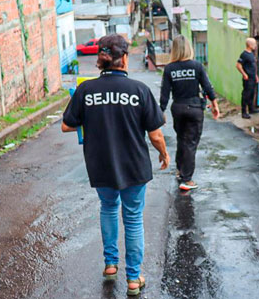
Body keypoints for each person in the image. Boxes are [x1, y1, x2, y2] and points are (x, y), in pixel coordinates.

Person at [61, 34, 170, 296]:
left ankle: (111, 264)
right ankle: (133, 279)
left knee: (108, 208)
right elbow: (155, 134)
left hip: (101, 164)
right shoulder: (139, 90)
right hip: (134, 166)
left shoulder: (86, 90)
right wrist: (164, 154)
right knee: (132, 218)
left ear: (101, 59)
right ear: (123, 59)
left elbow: (67, 125)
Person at [160, 35, 220, 191]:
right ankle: (187, 179)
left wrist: (161, 111)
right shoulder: (197, 66)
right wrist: (215, 105)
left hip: (178, 108)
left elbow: (165, 93)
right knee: (191, 143)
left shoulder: (169, 68)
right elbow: (207, 87)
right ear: (189, 48)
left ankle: (180, 170)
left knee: (182, 139)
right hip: (194, 108)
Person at [236, 37, 259, 119]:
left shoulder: (251, 54)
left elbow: (253, 66)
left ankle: (251, 109)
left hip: (253, 77)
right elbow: (238, 65)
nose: (255, 46)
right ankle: (244, 112)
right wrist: (244, 74)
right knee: (246, 95)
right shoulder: (244, 54)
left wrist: (256, 76)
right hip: (248, 79)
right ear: (249, 45)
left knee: (252, 94)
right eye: (254, 44)